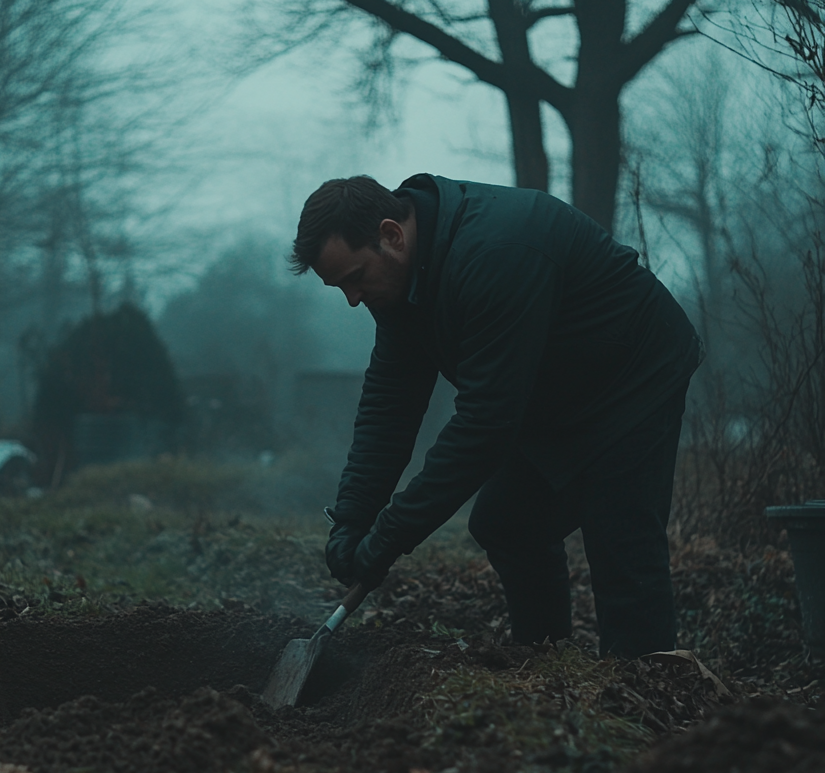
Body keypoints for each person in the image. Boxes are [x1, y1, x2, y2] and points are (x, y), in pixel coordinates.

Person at [293, 174, 703, 659]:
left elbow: (485, 426)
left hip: (633, 376)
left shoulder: (496, 252)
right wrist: (351, 523)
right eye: (340, 287)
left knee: (620, 542)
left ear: (392, 235)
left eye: (355, 278)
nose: (353, 299)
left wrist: (387, 537)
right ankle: (543, 657)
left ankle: (647, 692)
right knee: (506, 522)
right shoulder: (402, 285)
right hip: (553, 390)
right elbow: (388, 409)